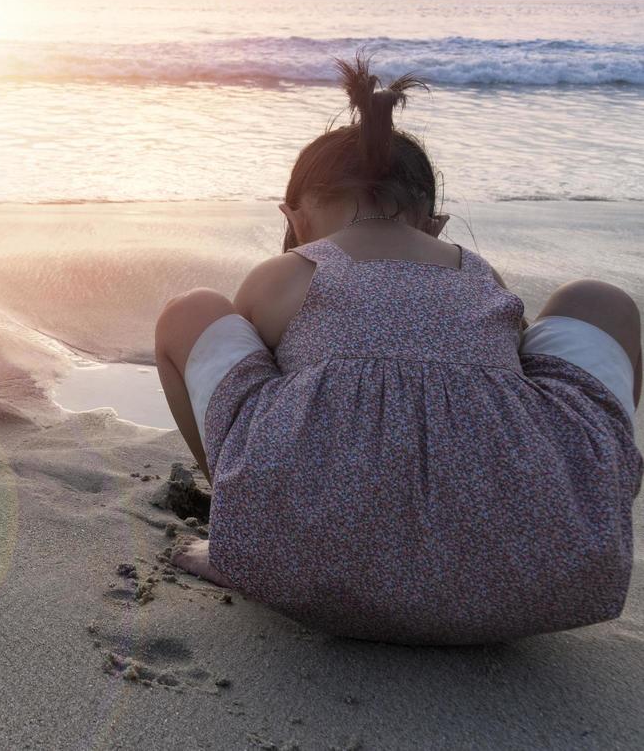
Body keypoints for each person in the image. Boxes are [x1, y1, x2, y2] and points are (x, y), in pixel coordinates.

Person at [153, 54, 642, 645]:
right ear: (433, 224)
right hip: (533, 583)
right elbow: (502, 372)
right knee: (600, 300)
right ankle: (571, 510)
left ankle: (241, 530)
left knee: (191, 313)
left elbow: (251, 383)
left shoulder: (287, 273)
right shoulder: (479, 274)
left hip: (305, 574)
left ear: (295, 217)